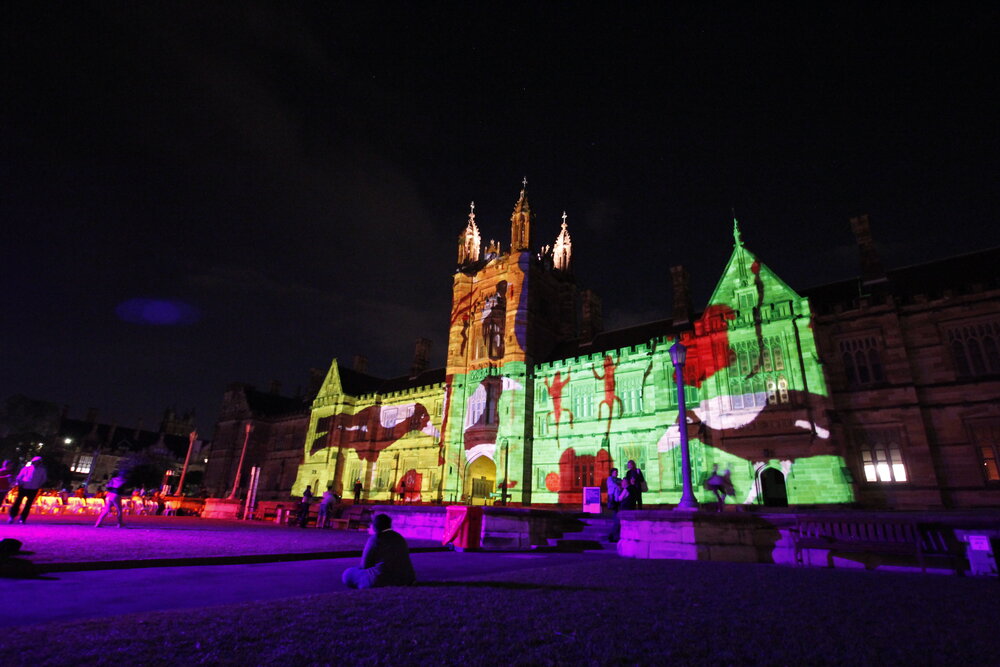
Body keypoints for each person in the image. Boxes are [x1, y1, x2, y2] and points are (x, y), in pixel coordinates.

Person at [341, 513, 416, 589]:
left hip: (383, 579)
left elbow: (365, 565)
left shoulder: (375, 539)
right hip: (406, 578)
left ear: (374, 527)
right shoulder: (399, 537)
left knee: (348, 573)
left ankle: (366, 584)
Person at [8, 456, 48, 524]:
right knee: (17, 502)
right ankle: (12, 516)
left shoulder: (42, 470)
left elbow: (43, 479)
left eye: (38, 462)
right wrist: (21, 483)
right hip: (24, 487)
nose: (37, 463)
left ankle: (23, 518)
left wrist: (38, 485)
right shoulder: (26, 468)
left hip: (34, 488)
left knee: (28, 504)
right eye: (36, 462)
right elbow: (19, 477)